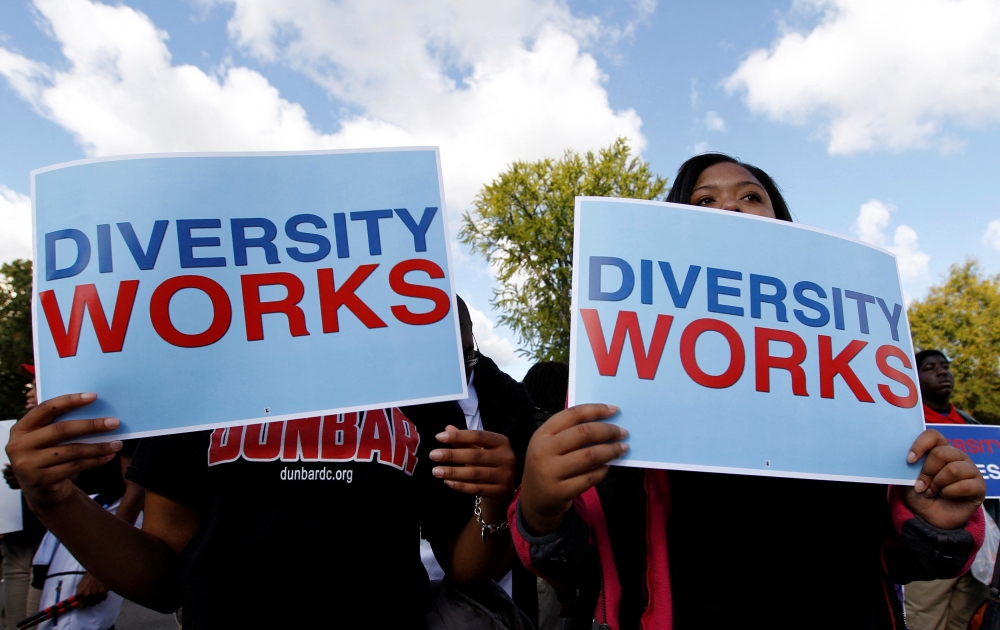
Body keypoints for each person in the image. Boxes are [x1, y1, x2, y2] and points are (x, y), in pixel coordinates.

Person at [509, 153, 987, 630]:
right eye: (705, 199)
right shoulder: (623, 383)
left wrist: (936, 524)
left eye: (750, 196)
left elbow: (904, 558)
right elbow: (580, 562)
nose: (732, 208)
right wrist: (540, 506)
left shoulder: (855, 375)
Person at [7, 356, 517, 625]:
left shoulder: (414, 384)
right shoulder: (198, 376)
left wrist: (496, 496)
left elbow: (467, 564)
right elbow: (164, 576)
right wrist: (54, 500)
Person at [422, 297, 538, 628]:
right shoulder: (387, 402)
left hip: (488, 606)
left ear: (471, 334)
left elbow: (529, 522)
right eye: (442, 357)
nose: (457, 370)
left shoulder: (513, 405)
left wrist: (501, 501)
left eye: (466, 354)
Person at [905, 349, 993, 630]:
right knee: (924, 619)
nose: (942, 371)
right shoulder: (909, 426)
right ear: (914, 379)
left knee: (968, 618)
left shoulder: (974, 425)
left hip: (981, 548)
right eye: (930, 367)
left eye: (945, 366)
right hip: (932, 543)